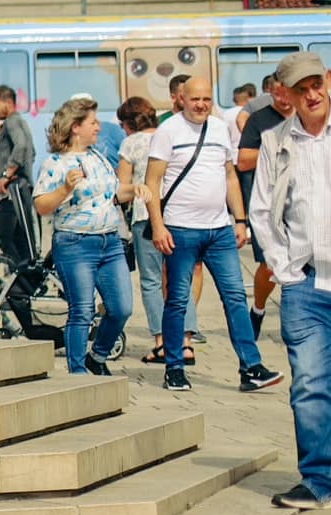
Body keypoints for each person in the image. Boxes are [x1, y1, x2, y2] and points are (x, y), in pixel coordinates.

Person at [147, 77, 284, 395]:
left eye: (207, 99)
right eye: (195, 99)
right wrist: (158, 225)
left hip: (220, 229)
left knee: (236, 298)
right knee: (178, 300)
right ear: (181, 98)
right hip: (180, 229)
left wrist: (240, 220)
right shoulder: (168, 131)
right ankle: (175, 368)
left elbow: (229, 176)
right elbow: (152, 182)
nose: (201, 105)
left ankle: (250, 367)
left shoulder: (220, 128)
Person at [246, 51, 331, 509]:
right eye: (302, 89)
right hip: (306, 285)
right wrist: (284, 269)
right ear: (286, 94)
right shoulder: (277, 142)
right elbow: (261, 210)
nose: (313, 94)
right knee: (310, 384)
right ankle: (319, 479)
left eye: (317, 84)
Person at [34, 97, 134, 375]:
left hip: (110, 242)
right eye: (93, 122)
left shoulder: (98, 158)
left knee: (121, 307)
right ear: (76, 127)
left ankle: (97, 356)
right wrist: (65, 189)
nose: (98, 127)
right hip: (74, 244)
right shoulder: (55, 164)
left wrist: (137, 189)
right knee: (82, 311)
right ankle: (77, 372)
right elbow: (42, 206)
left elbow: (115, 193)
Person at [119, 98, 197, 363]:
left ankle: (163, 342)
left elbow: (123, 188)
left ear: (128, 124)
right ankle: (186, 343)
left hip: (145, 217)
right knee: (179, 278)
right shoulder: (171, 134)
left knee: (152, 281)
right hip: (177, 215)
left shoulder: (131, 143)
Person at [239, 76, 298, 338]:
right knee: (270, 266)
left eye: (288, 95)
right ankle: (259, 308)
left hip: (301, 203)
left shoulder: (309, 116)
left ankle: (296, 319)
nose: (284, 101)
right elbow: (243, 161)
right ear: (270, 93)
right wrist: (277, 146)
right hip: (268, 205)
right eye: (278, 95)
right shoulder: (259, 120)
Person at [0, 87, 36, 198]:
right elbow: (32, 152)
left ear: (9, 102)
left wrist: (7, 175)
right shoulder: (21, 121)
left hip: (12, 190)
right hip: (24, 186)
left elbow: (20, 145)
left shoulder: (11, 122)